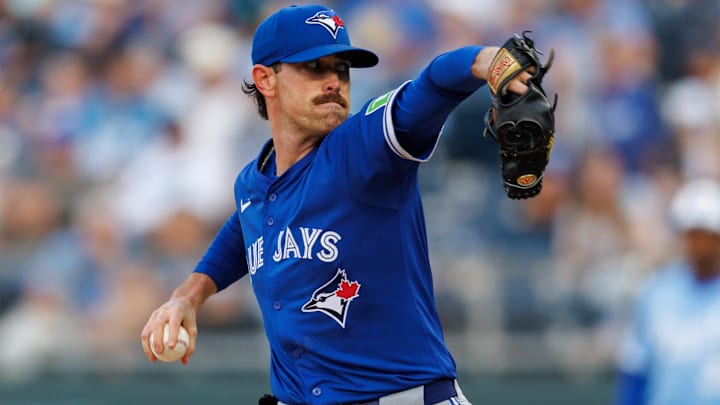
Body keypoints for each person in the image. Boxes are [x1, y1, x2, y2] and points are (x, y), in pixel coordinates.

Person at [140, 4, 535, 405]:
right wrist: (188, 296)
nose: (333, 81)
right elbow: (245, 227)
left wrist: (483, 61)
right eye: (314, 67)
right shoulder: (253, 182)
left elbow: (430, 86)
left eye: (342, 69)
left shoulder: (363, 148)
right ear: (265, 79)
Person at [616, 178, 720, 405]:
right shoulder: (657, 292)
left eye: (707, 235)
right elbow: (636, 370)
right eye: (692, 234)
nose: (699, 243)